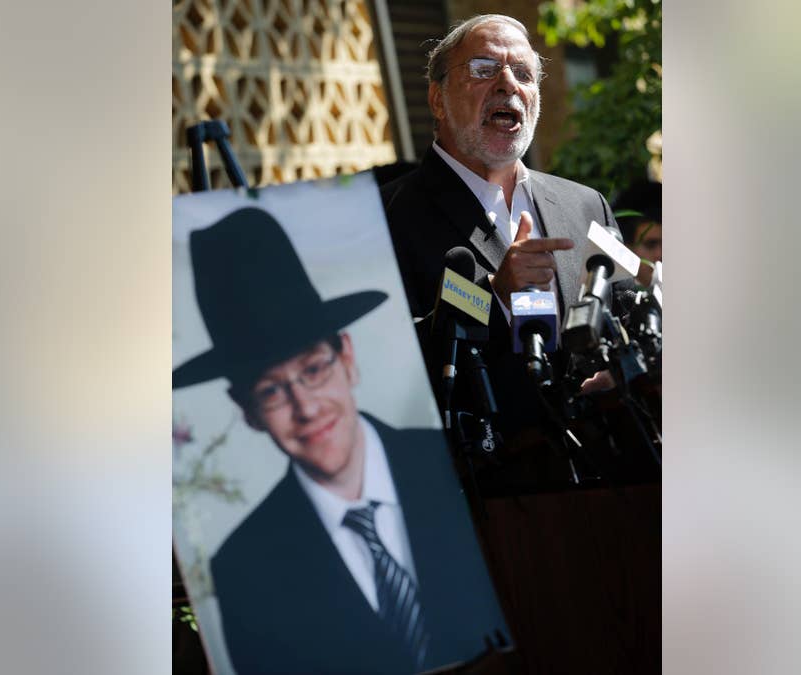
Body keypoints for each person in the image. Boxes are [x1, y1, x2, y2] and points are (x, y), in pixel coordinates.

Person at [172, 207, 508, 675]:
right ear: (246, 409)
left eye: (313, 369)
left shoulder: (450, 468)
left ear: (346, 358)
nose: (305, 407)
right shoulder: (242, 568)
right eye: (271, 390)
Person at [380, 14, 622, 437]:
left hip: (604, 471)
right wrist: (492, 295)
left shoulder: (586, 206)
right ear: (437, 99)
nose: (508, 84)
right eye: (484, 69)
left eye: (524, 73)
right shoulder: (386, 216)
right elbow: (378, 359)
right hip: (483, 481)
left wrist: (621, 371)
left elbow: (628, 312)